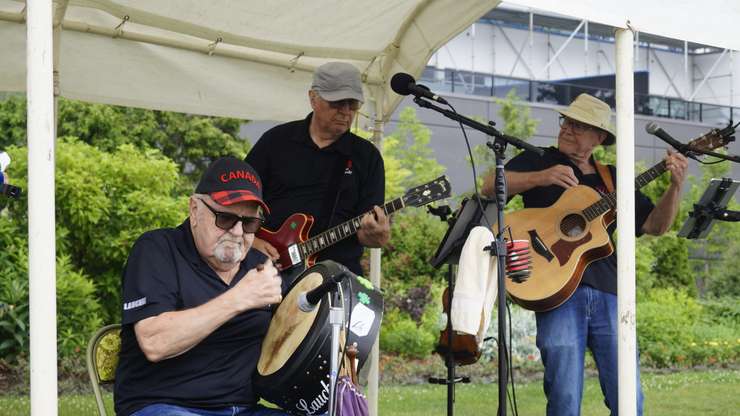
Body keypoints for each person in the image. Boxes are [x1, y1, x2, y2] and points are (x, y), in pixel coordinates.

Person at [482, 93, 688, 416]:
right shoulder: (539, 158)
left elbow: (654, 225)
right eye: (567, 121)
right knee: (564, 398)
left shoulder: (612, 178)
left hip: (609, 292)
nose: (567, 129)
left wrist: (675, 187)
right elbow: (488, 184)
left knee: (629, 399)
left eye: (579, 126)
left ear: (599, 138)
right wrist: (543, 177)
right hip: (555, 288)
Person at [114, 157, 290, 416]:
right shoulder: (157, 250)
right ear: (195, 210)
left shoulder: (259, 267)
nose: (239, 232)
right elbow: (155, 342)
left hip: (244, 409)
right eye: (226, 218)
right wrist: (238, 298)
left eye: (250, 223)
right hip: (163, 405)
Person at [246, 62, 390, 277]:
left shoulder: (366, 157)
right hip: (267, 266)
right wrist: (252, 240)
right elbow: (239, 200)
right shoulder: (276, 141)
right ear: (313, 98)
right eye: (337, 102)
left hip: (336, 275)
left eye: (352, 104)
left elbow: (367, 232)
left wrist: (377, 236)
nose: (345, 111)